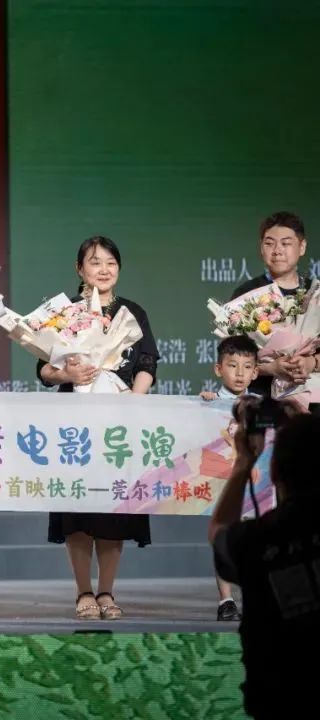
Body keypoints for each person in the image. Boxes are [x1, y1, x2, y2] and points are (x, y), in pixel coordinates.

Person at [36, 236, 159, 620]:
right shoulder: (65, 313)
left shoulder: (132, 312)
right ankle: (83, 591)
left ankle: (106, 591)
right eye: (94, 262)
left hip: (119, 424)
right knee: (77, 509)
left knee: (113, 509)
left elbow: (147, 364)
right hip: (74, 426)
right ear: (80, 269)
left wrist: (133, 401)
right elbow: (44, 370)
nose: (103, 269)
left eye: (110, 263)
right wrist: (67, 374)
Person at [209, 404, 320, 720]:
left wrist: (244, 462)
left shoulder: (258, 539)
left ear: (274, 472)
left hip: (280, 700)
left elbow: (219, 533)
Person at [199, 335, 262, 622]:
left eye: (247, 367)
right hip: (221, 480)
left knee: (254, 540)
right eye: (232, 365)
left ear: (255, 372)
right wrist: (203, 404)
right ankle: (225, 600)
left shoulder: (261, 405)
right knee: (223, 537)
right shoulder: (210, 402)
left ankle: (254, 596)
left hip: (253, 482)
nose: (239, 373)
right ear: (218, 369)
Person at [230, 212, 316, 397]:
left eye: (286, 243)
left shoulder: (315, 294)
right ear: (261, 248)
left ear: (302, 247)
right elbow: (230, 357)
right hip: (260, 399)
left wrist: (312, 362)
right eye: (269, 243)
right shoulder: (246, 295)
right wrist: (270, 368)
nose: (277, 250)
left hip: (313, 399)